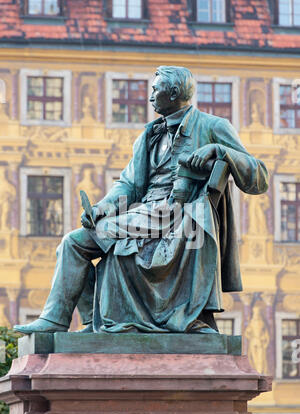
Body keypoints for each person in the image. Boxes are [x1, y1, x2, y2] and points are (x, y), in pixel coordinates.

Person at [14, 66, 269, 335]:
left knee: (76, 244)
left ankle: (70, 322)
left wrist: (220, 150)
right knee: (73, 243)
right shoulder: (149, 135)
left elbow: (259, 177)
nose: (150, 96)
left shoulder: (212, 126)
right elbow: (129, 183)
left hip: (179, 216)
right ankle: (84, 323)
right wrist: (103, 207)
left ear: (172, 93)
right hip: (146, 213)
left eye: (155, 89)